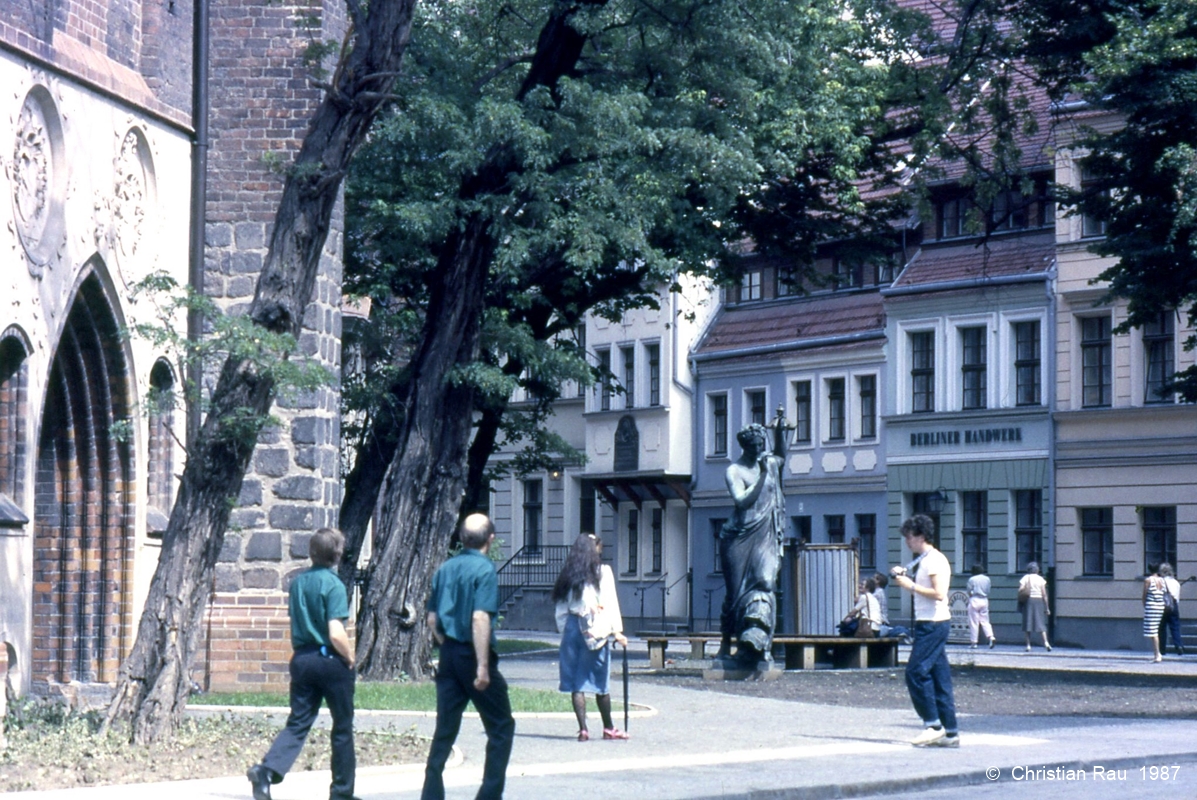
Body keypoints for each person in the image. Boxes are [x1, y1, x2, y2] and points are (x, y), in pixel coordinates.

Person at [247, 528, 357, 800]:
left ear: (311, 552)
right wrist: (350, 656)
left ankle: (267, 769)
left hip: (302, 658)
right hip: (329, 660)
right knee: (342, 725)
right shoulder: (334, 585)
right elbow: (335, 631)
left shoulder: (297, 583)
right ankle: (342, 791)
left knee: (298, 721)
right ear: (338, 555)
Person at [422, 514, 515, 800]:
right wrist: (482, 666)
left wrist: (447, 644)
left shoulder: (446, 568)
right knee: (501, 726)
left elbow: (431, 618)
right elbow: (479, 618)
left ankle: (432, 793)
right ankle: (489, 795)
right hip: (473, 654)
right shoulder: (485, 570)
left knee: (445, 728)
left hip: (449, 652)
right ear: (491, 539)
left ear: (462, 539)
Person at [715, 423, 786, 670]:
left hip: (765, 533)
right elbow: (742, 501)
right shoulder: (734, 470)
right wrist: (764, 475)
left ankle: (763, 645)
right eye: (754, 446)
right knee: (734, 595)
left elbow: (781, 458)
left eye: (761, 445)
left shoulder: (768, 463)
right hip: (738, 538)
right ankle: (726, 644)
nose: (759, 450)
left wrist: (779, 433)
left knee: (766, 582)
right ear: (744, 446)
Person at [551, 533, 630, 741]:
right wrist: (617, 631)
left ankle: (583, 729)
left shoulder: (569, 575)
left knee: (576, 681)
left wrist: (565, 631)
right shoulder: (602, 572)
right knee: (599, 679)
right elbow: (610, 602)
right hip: (595, 629)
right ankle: (608, 727)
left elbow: (561, 607)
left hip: (572, 628)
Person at [890, 514, 959, 748]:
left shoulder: (934, 561)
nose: (907, 542)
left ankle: (933, 726)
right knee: (940, 679)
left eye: (909, 537)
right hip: (930, 622)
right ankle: (950, 732)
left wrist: (908, 585)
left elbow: (940, 593)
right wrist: (906, 577)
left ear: (920, 536)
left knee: (915, 672)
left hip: (933, 623)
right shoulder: (925, 559)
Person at [1018, 562, 1051, 652]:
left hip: (1028, 600)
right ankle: (1046, 643)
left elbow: (1020, 589)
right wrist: (1047, 608)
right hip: (1039, 600)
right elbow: (1044, 594)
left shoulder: (1026, 578)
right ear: (1037, 570)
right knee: (1040, 623)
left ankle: (1028, 645)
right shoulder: (1041, 579)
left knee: (1027, 623)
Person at [872, 573, 910, 642]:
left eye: (874, 578)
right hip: (881, 620)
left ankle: (900, 631)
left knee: (886, 632)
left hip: (881, 621)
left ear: (878, 581)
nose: (871, 579)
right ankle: (899, 631)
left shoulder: (878, 592)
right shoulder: (878, 591)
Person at [966, 565, 996, 649]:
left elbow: (969, 590)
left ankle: (974, 642)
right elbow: (988, 590)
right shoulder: (987, 579)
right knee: (985, 620)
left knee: (973, 622)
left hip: (975, 599)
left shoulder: (972, 579)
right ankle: (991, 637)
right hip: (984, 599)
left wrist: (971, 595)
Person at [1158, 562, 1184, 656]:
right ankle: (1178, 645)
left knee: (1162, 628)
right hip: (1174, 606)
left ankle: (1162, 649)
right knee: (1175, 627)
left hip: (1163, 606)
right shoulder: (1176, 582)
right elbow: (1177, 597)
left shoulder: (1160, 581)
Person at [1143, 565, 1167, 663]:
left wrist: (1145, 605)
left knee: (1153, 632)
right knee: (1155, 629)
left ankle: (1157, 654)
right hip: (1160, 606)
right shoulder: (1162, 580)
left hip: (1151, 606)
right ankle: (1157, 653)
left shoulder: (1148, 580)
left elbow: (1144, 595)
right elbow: (1164, 593)